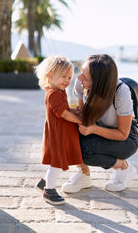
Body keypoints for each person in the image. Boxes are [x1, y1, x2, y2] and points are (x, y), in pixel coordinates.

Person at [62, 54, 138, 193]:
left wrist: (94, 129)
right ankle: (83, 174)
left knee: (84, 150)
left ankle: (123, 167)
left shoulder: (121, 92)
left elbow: (122, 134)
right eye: (81, 73)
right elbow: (84, 115)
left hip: (126, 139)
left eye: (85, 77)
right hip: (98, 128)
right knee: (62, 134)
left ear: (98, 81)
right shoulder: (80, 84)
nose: (79, 79)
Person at [35, 55, 83, 205]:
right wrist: (82, 121)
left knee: (56, 161)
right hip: (57, 135)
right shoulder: (53, 94)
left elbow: (66, 109)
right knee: (56, 162)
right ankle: (49, 190)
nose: (67, 81)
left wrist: (76, 112)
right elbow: (64, 114)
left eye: (69, 77)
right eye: (63, 76)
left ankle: (44, 182)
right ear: (50, 76)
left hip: (60, 133)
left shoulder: (59, 91)